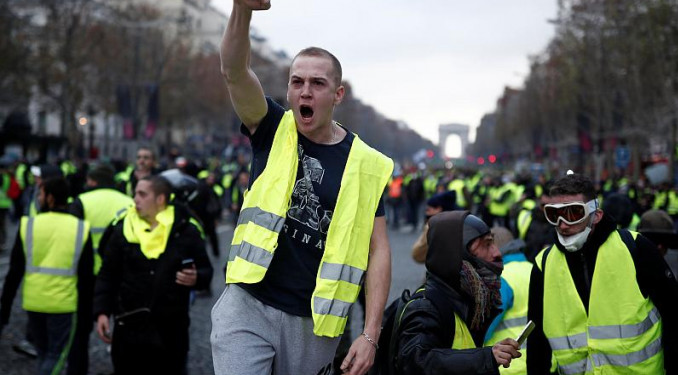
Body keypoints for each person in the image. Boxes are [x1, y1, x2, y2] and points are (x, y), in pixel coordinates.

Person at [210, 2, 394, 375]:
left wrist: (371, 333)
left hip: (315, 323)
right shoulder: (271, 126)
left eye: (317, 84)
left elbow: (378, 251)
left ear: (338, 95)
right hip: (248, 305)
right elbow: (234, 71)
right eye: (297, 82)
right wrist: (241, 10)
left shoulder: (367, 163)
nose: (304, 92)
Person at [526, 172, 678, 374]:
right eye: (554, 214)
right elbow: (536, 342)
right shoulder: (543, 264)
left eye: (573, 213)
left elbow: (676, 314)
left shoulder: (635, 248)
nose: (562, 224)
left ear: (596, 215)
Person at [93, 176, 213, 374]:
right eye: (135, 194)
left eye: (142, 194)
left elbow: (206, 270)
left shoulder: (185, 230)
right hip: (128, 329)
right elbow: (108, 274)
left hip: (170, 332)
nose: (135, 199)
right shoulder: (123, 227)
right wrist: (101, 312)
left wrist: (197, 278)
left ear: (160, 199)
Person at [395, 211, 520, 374]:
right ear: (458, 254)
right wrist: (485, 357)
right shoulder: (425, 307)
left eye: (493, 243)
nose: (497, 252)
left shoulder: (467, 299)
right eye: (486, 244)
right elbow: (415, 361)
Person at [0, 176, 94, 375]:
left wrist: (5, 306)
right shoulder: (79, 228)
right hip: (64, 305)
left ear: (50, 198)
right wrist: (87, 312)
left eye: (41, 194)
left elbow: (14, 272)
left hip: (34, 303)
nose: (38, 198)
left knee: (43, 354)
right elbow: (86, 277)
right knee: (55, 355)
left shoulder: (29, 225)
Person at [67, 163, 133, 375]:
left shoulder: (82, 201)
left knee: (80, 332)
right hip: (120, 277)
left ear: (94, 181)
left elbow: (71, 240)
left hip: (86, 277)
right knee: (124, 331)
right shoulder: (129, 202)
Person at [484, 238, 534, 375]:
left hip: (509, 365)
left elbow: (485, 328)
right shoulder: (535, 269)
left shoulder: (502, 278)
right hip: (542, 362)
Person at [411, 190, 457, 264]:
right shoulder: (459, 220)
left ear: (439, 208)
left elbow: (417, 254)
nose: (426, 212)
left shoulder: (433, 227)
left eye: (428, 209)